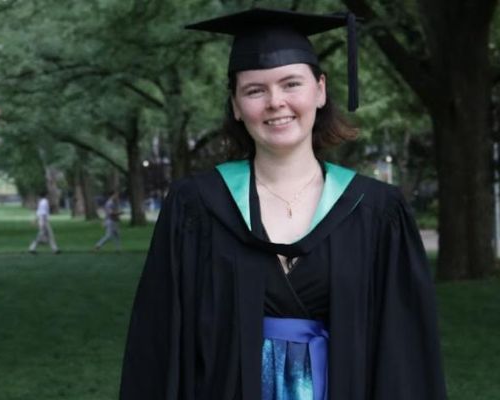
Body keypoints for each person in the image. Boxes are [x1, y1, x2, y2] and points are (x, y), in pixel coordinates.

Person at [119, 8, 447, 400]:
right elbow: (159, 345)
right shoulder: (196, 207)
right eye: (255, 90)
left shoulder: (377, 212)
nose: (276, 102)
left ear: (320, 90)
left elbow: (404, 354)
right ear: (237, 106)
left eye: (291, 83)